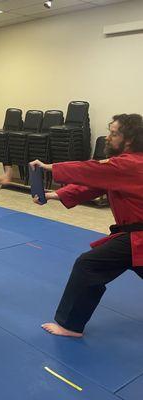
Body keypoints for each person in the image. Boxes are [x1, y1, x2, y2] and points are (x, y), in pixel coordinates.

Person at [30, 113, 143, 337]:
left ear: (128, 139)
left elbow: (90, 170)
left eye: (113, 133)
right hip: (133, 237)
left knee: (88, 265)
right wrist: (54, 195)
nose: (108, 137)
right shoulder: (127, 164)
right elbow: (94, 185)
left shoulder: (130, 163)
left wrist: (49, 167)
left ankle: (70, 326)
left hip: (138, 238)